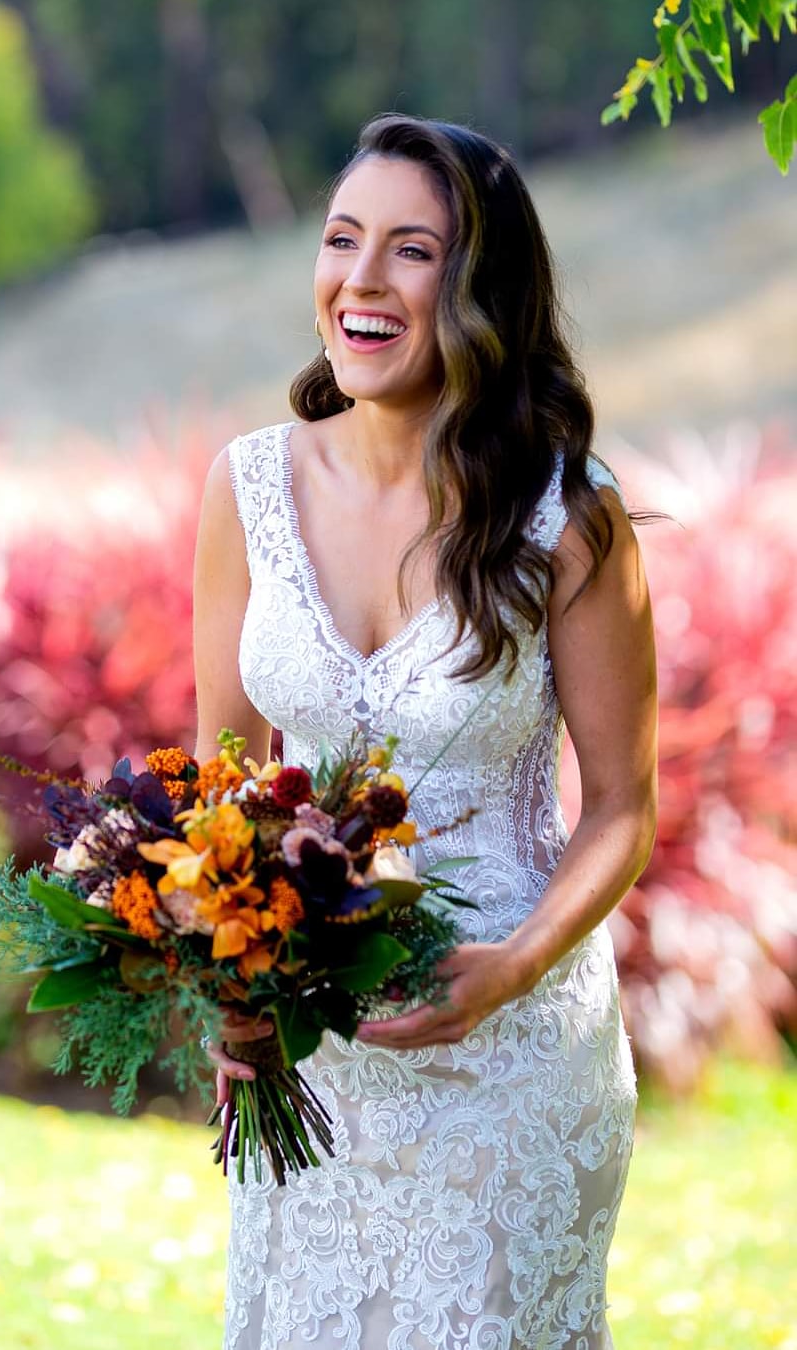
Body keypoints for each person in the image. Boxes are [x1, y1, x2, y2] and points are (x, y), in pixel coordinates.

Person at [191, 113, 658, 1350]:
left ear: (479, 288)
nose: (361, 278)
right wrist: (236, 994)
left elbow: (622, 804)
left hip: (515, 1049)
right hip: (320, 1048)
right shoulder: (246, 489)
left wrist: (514, 967)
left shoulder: (570, 514)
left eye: (413, 251)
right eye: (343, 239)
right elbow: (221, 784)